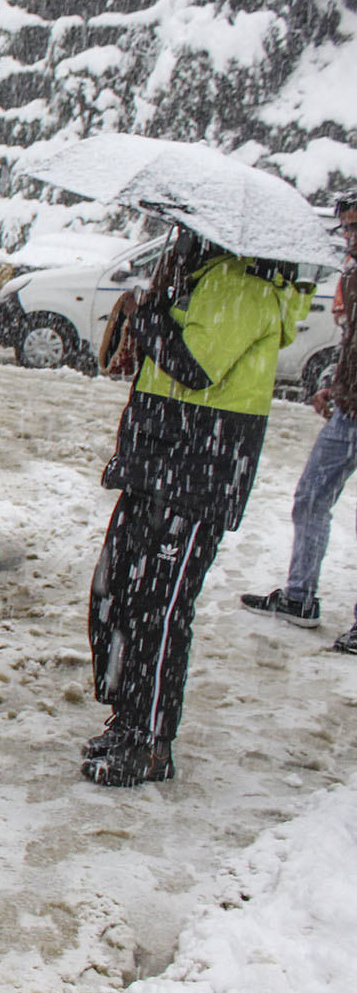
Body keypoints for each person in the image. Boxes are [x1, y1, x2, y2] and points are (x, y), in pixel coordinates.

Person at [84, 227, 312, 786]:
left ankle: (151, 742)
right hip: (160, 465)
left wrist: (147, 316)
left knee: (160, 609)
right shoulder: (206, 278)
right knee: (121, 592)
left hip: (195, 476)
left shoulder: (246, 289)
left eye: (190, 231)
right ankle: (130, 717)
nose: (182, 239)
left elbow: (194, 366)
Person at [240, 193, 357, 650]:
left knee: (312, 498)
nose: (348, 236)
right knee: (310, 498)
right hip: (348, 412)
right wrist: (337, 386)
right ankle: (299, 597)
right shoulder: (352, 273)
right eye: (346, 227)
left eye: (355, 226)